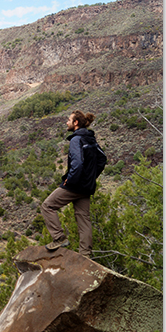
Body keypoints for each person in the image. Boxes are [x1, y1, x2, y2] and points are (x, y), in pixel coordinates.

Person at [40, 110, 106, 257]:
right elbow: (102, 159)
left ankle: (58, 238)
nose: (67, 122)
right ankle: (85, 254)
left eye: (69, 120)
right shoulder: (91, 139)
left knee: (47, 206)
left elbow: (77, 163)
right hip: (86, 187)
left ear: (76, 123)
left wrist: (70, 180)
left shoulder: (76, 139)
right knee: (83, 218)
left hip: (75, 185)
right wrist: (91, 177)